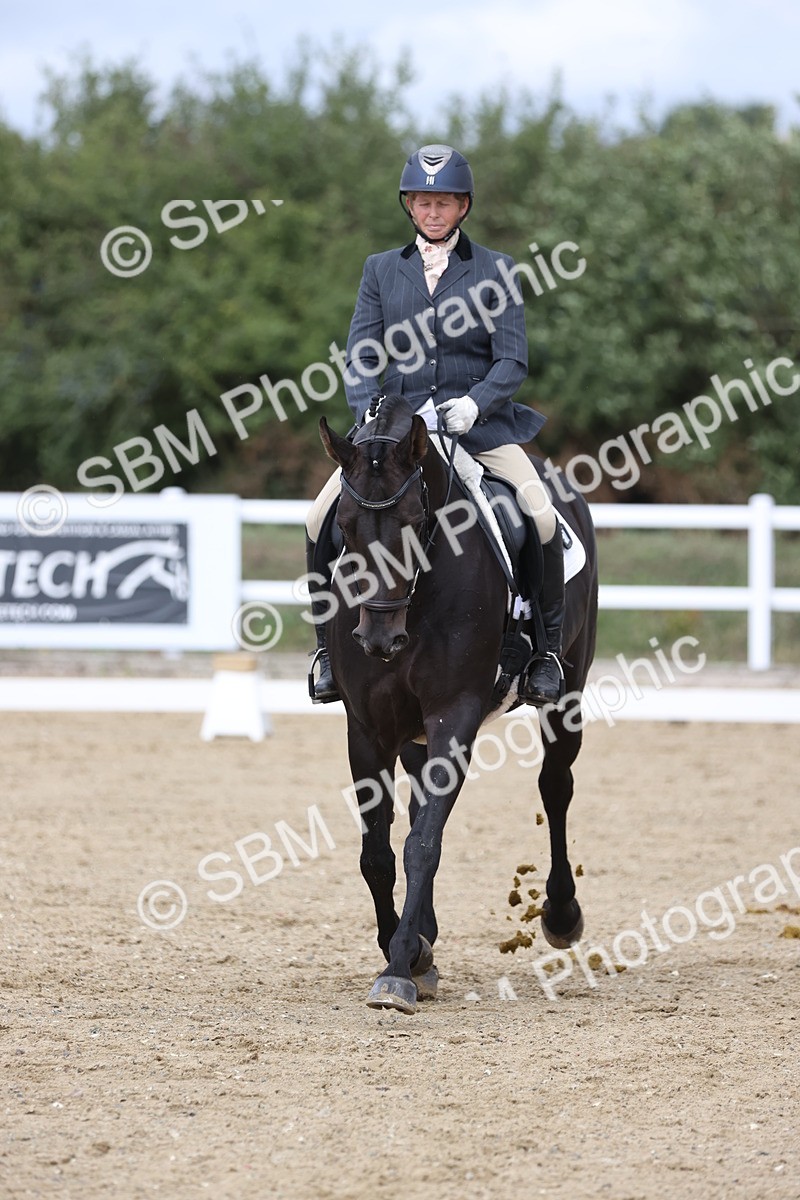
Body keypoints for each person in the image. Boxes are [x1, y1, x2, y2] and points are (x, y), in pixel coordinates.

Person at [306, 143, 565, 708]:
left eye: (443, 203)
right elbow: (362, 355)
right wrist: (370, 410)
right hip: (394, 433)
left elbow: (512, 359)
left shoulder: (496, 270)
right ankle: (326, 649)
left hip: (476, 427)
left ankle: (544, 653)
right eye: (423, 202)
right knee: (318, 517)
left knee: (540, 517)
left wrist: (476, 403)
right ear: (409, 206)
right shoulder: (381, 269)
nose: (433, 213)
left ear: (463, 207)